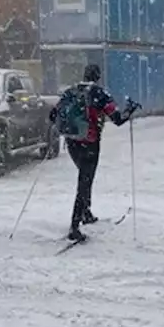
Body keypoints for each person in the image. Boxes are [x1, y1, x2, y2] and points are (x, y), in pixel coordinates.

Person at [49, 64, 139, 241]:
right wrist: (130, 110)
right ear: (98, 76)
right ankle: (74, 226)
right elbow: (117, 119)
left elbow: (53, 115)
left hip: (72, 141)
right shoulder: (100, 94)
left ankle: (86, 212)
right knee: (85, 180)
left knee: (84, 177)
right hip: (90, 143)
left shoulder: (70, 91)